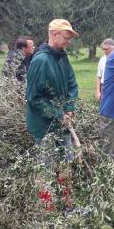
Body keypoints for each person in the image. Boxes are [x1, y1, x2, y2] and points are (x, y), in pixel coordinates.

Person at [26, 19, 80, 211]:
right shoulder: (41, 60)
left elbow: (72, 84)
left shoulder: (62, 57)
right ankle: (48, 210)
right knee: (46, 167)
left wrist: (70, 107)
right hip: (44, 126)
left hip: (62, 123)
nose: (68, 41)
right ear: (54, 34)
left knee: (66, 164)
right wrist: (58, 114)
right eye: (66, 37)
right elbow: (34, 98)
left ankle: (68, 206)